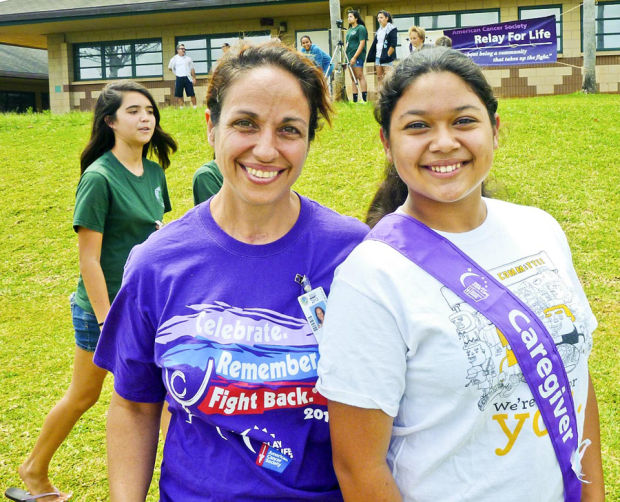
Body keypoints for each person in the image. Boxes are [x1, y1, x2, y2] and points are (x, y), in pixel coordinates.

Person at [317, 48, 605, 502]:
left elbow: (576, 383)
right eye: (417, 126)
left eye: (463, 121)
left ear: (494, 128)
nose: (444, 142)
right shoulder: (372, 277)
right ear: (387, 144)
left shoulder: (540, 229)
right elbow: (358, 467)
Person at [93, 42, 368, 501]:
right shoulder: (156, 263)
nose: (266, 149)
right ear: (210, 126)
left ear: (308, 139)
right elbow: (135, 407)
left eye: (289, 130)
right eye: (245, 123)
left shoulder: (354, 254)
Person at [7, 81, 176, 502]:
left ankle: (183, 484)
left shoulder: (154, 172)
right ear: (110, 121)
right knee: (86, 395)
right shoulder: (99, 177)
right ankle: (34, 470)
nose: (145, 118)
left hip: (144, 307)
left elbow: (153, 236)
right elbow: (89, 260)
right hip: (105, 311)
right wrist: (106, 322)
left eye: (150, 111)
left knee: (169, 397)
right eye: (134, 111)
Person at [367, 10, 397, 85]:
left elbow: (393, 45)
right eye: (378, 18)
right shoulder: (379, 30)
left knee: (389, 79)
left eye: (381, 17)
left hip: (386, 58)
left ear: (387, 18)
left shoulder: (392, 29)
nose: (379, 19)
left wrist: (387, 56)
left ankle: (390, 96)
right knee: (380, 78)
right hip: (378, 57)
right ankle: (381, 96)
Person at [345, 10, 368, 103]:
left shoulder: (361, 28)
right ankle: (355, 100)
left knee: (359, 75)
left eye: (350, 16)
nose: (348, 18)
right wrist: (346, 58)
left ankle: (364, 99)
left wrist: (355, 57)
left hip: (358, 56)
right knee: (352, 77)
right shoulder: (349, 30)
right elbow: (347, 44)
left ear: (356, 18)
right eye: (348, 17)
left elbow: (362, 43)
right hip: (349, 56)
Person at [168, 43, 197, 108]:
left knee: (192, 93)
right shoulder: (174, 59)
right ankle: (181, 108)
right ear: (178, 50)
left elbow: (192, 69)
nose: (183, 50)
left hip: (188, 78)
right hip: (179, 78)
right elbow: (170, 68)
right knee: (179, 95)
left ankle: (195, 107)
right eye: (182, 49)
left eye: (184, 49)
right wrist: (176, 72)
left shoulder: (188, 59)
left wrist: (194, 78)